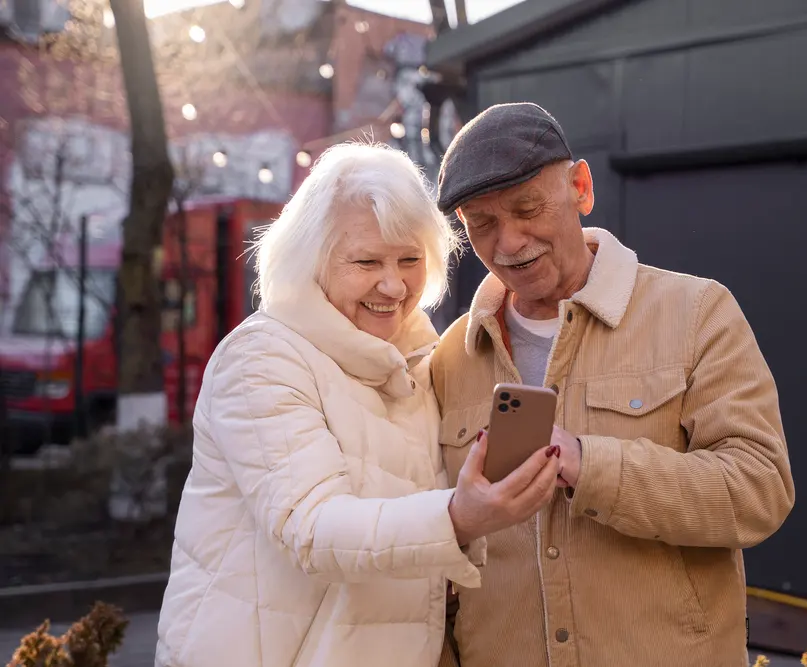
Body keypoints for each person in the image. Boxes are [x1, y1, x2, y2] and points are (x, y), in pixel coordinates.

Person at [155, 143, 561, 667]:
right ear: (311, 259)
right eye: (367, 261)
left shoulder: (418, 359)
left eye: (411, 260)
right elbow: (313, 528)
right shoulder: (261, 358)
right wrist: (458, 518)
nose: (393, 285)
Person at [430, 103, 795, 667]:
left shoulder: (697, 313)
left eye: (528, 208)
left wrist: (586, 462)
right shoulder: (449, 356)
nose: (508, 243)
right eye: (481, 224)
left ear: (581, 187)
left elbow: (759, 490)